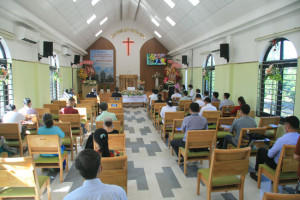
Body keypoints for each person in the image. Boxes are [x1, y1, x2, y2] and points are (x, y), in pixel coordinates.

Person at [250, 116, 300, 181]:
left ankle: (256, 173)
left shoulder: (282, 140)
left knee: (261, 150)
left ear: (288, 126)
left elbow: (270, 155)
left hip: (278, 166)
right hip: (295, 166)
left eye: (285, 124)